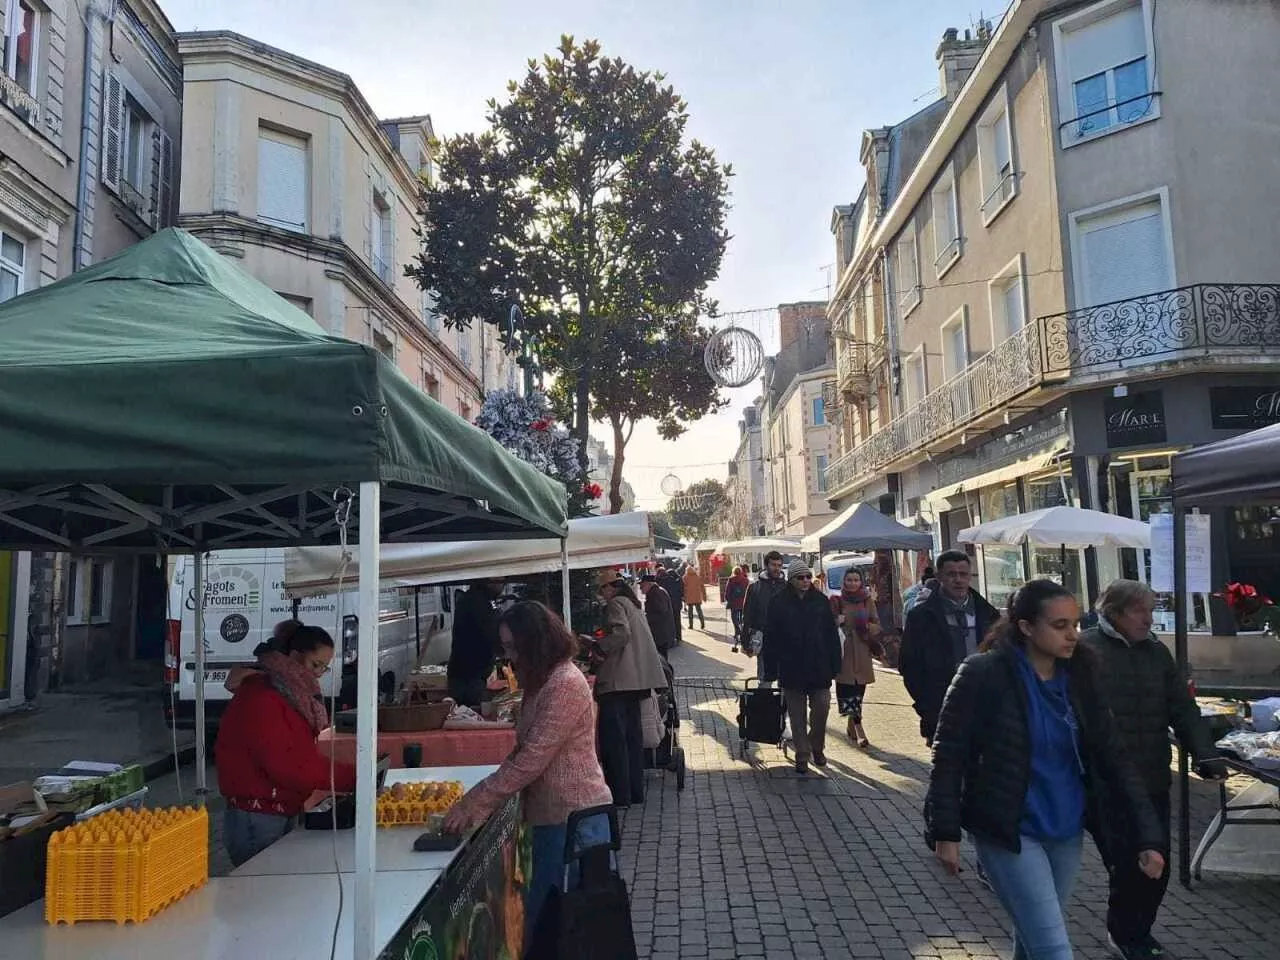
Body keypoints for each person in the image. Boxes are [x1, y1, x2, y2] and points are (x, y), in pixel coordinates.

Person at [926, 580, 1166, 960]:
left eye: (1074, 623)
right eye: (1059, 626)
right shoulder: (984, 673)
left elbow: (1115, 758)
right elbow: (948, 755)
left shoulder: (1081, 677)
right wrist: (945, 832)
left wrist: (1148, 837)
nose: (1073, 634)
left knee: (1033, 935)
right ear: (1025, 627)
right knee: (1053, 948)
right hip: (1008, 831)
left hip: (1065, 831)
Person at [442, 602, 614, 946]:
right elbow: (524, 752)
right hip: (554, 817)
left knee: (564, 924)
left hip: (573, 817)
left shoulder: (563, 682)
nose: (509, 657)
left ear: (535, 643)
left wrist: (477, 801)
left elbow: (533, 757)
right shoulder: (542, 680)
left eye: (512, 648)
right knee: (553, 922)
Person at [1079, 580, 1229, 960]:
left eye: (1151, 609)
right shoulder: (1086, 651)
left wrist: (1206, 755)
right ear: (1115, 612)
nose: (1149, 618)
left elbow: (1182, 709)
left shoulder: (1156, 653)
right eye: (1139, 611)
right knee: (1129, 863)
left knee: (1156, 863)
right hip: (1105, 782)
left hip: (1152, 776)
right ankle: (1126, 935)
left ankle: (1138, 932)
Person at [215, 624, 356, 867]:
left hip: (275, 810)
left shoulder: (286, 693)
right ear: (293, 657)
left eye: (324, 667)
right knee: (265, 894)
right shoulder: (264, 697)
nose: (319, 674)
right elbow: (290, 764)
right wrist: (352, 777)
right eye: (315, 665)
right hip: (258, 817)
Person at [900, 550, 1000, 746]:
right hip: (941, 707)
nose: (958, 580)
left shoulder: (989, 615)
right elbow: (909, 665)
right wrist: (926, 706)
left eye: (963, 574)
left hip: (985, 706)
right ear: (939, 577)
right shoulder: (921, 617)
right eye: (951, 574)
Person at [594, 570, 669, 806]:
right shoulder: (632, 603)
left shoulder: (616, 604)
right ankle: (635, 792)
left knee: (616, 741)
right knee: (632, 739)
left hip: (618, 682)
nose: (601, 596)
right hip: (636, 682)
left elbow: (621, 634)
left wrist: (599, 647)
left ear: (609, 588)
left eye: (601, 590)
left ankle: (621, 794)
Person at [762, 560, 841, 775]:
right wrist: (770, 668)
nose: (806, 581)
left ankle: (817, 746)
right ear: (792, 580)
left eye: (808, 577)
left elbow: (831, 635)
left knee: (822, 709)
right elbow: (770, 637)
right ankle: (802, 755)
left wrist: (836, 664)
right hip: (791, 666)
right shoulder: (778, 602)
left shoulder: (821, 601)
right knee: (797, 716)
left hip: (819, 666)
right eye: (800, 577)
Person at [832, 568, 880, 748]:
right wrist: (837, 621)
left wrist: (867, 626)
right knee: (846, 691)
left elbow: (877, 624)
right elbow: (828, 624)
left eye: (856, 580)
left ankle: (852, 724)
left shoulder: (867, 601)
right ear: (844, 582)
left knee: (859, 691)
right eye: (849, 580)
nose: (852, 583)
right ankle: (859, 728)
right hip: (844, 651)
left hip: (862, 649)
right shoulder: (836, 600)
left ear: (861, 581)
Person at [449, 578, 504, 708]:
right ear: (488, 581)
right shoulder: (479, 602)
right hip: (470, 675)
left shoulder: (472, 599)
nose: (502, 585)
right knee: (471, 711)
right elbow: (492, 631)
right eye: (500, 581)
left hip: (465, 672)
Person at [741, 550, 788, 663]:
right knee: (765, 677)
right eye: (773, 565)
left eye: (779, 565)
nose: (776, 568)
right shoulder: (755, 588)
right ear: (766, 565)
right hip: (763, 639)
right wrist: (745, 642)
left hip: (785, 639)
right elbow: (747, 616)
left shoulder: (788, 587)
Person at [638, 574, 677, 657]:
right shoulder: (656, 592)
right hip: (662, 633)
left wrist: (645, 618)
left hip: (660, 633)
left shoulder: (655, 593)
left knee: (661, 659)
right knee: (661, 658)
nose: (640, 589)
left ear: (648, 584)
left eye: (642, 586)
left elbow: (661, 611)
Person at [657, 563, 684, 646]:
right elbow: (680, 591)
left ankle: (672, 638)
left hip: (668, 605)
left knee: (669, 622)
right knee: (677, 620)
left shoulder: (660, 581)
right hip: (677, 604)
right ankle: (679, 637)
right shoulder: (675, 580)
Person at [725, 565, 750, 646]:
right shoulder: (746, 580)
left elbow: (727, 591)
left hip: (734, 603)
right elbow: (749, 591)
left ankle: (737, 631)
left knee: (734, 617)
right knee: (743, 618)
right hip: (743, 602)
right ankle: (743, 631)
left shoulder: (731, 580)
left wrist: (728, 600)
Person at [682, 562, 707, 630]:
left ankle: (691, 625)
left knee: (690, 612)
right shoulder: (697, 577)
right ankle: (702, 624)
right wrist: (704, 596)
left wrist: (683, 596)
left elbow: (683, 587)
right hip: (697, 597)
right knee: (699, 610)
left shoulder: (685, 577)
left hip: (689, 597)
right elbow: (702, 587)